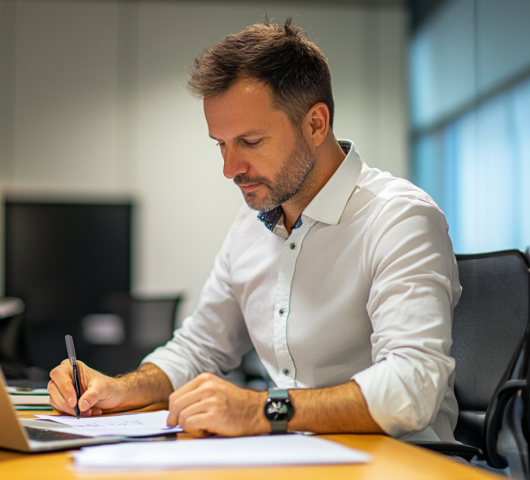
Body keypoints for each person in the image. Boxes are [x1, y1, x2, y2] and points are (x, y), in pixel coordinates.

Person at [48, 17, 461, 442]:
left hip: (395, 461)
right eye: (221, 145)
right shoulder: (252, 225)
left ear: (316, 124)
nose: (230, 169)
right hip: (293, 458)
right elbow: (198, 349)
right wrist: (119, 388)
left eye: (250, 142)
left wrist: (263, 408)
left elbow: (414, 385)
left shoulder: (399, 218)